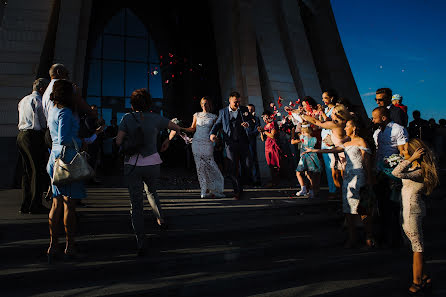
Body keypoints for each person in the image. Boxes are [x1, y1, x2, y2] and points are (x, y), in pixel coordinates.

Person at [116, 88, 181, 256]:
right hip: (153, 163)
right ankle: (161, 219)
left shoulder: (127, 118)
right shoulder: (156, 118)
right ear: (149, 103)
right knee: (152, 192)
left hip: (132, 164)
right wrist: (167, 140)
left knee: (136, 204)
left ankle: (141, 241)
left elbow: (118, 141)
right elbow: (176, 127)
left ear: (132, 104)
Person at [303, 117, 375, 247]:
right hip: (347, 178)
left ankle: (369, 236)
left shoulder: (361, 142)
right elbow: (331, 150)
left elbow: (367, 162)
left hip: (359, 177)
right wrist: (313, 150)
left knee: (362, 208)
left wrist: (369, 180)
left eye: (347, 126)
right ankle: (352, 237)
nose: (345, 128)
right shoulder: (347, 142)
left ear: (354, 128)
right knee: (348, 209)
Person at [46, 80, 86, 263]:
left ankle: (53, 245)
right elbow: (64, 138)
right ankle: (70, 245)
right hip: (67, 161)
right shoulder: (66, 112)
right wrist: (80, 141)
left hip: (53, 159)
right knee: (69, 205)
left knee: (56, 204)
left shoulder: (52, 109)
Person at [392, 139, 438, 295]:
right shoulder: (413, 169)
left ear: (415, 154)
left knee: (417, 247)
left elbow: (396, 173)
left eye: (405, 150)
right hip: (407, 210)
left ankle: (417, 281)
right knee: (413, 245)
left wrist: (409, 159)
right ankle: (424, 275)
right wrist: (409, 160)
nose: (402, 152)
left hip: (413, 213)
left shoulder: (419, 172)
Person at [372, 106, 408, 248]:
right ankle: (385, 236)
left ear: (383, 117)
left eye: (374, 117)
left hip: (393, 173)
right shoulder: (377, 133)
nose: (372, 120)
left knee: (394, 206)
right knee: (382, 205)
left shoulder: (398, 129)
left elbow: (403, 151)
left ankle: (396, 238)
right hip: (380, 172)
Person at [210, 91, 254, 200]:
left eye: (239, 102)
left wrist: (247, 124)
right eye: (235, 102)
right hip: (230, 144)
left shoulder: (244, 110)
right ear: (229, 100)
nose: (238, 104)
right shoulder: (223, 112)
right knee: (233, 168)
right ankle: (237, 191)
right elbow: (217, 124)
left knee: (248, 165)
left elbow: (251, 122)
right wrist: (212, 133)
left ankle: (242, 185)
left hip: (243, 143)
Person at [17, 78, 50, 214]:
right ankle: (35, 204)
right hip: (33, 136)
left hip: (21, 135)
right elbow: (43, 122)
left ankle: (26, 204)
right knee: (37, 169)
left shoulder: (23, 100)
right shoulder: (39, 101)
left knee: (27, 171)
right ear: (42, 88)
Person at [181, 97, 225, 198]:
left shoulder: (214, 117)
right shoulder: (197, 115)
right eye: (203, 104)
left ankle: (215, 188)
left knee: (211, 165)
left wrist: (217, 139)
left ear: (210, 105)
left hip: (207, 143)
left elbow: (216, 131)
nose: (204, 106)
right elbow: (192, 128)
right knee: (200, 167)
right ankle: (203, 190)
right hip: (196, 142)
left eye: (206, 104)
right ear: (201, 105)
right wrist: (180, 128)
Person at [291, 125, 321, 198]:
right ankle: (312, 190)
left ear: (304, 131)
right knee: (310, 174)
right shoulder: (314, 138)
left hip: (305, 157)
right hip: (313, 156)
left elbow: (292, 142)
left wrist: (292, 133)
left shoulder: (303, 138)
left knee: (298, 173)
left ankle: (303, 188)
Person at [318, 90, 338, 197]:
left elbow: (330, 123)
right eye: (323, 98)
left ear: (331, 98)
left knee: (333, 164)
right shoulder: (325, 109)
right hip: (324, 139)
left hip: (332, 138)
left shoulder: (336, 109)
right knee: (327, 165)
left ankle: (337, 188)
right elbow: (321, 123)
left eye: (325, 98)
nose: (323, 100)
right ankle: (332, 189)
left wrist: (323, 113)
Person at [258, 110, 281, 187]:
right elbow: (262, 139)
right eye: (263, 118)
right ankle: (273, 180)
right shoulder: (265, 126)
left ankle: (276, 181)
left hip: (273, 145)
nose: (264, 119)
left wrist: (264, 131)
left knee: (275, 164)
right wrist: (261, 132)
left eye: (265, 117)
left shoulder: (273, 124)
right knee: (270, 164)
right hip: (267, 146)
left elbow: (272, 135)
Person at [247, 104, 261, 185]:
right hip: (244, 141)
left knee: (253, 160)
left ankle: (256, 179)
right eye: (248, 109)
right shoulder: (243, 118)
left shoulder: (256, 118)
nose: (250, 111)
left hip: (252, 141)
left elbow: (257, 129)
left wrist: (250, 134)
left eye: (251, 109)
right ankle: (248, 179)